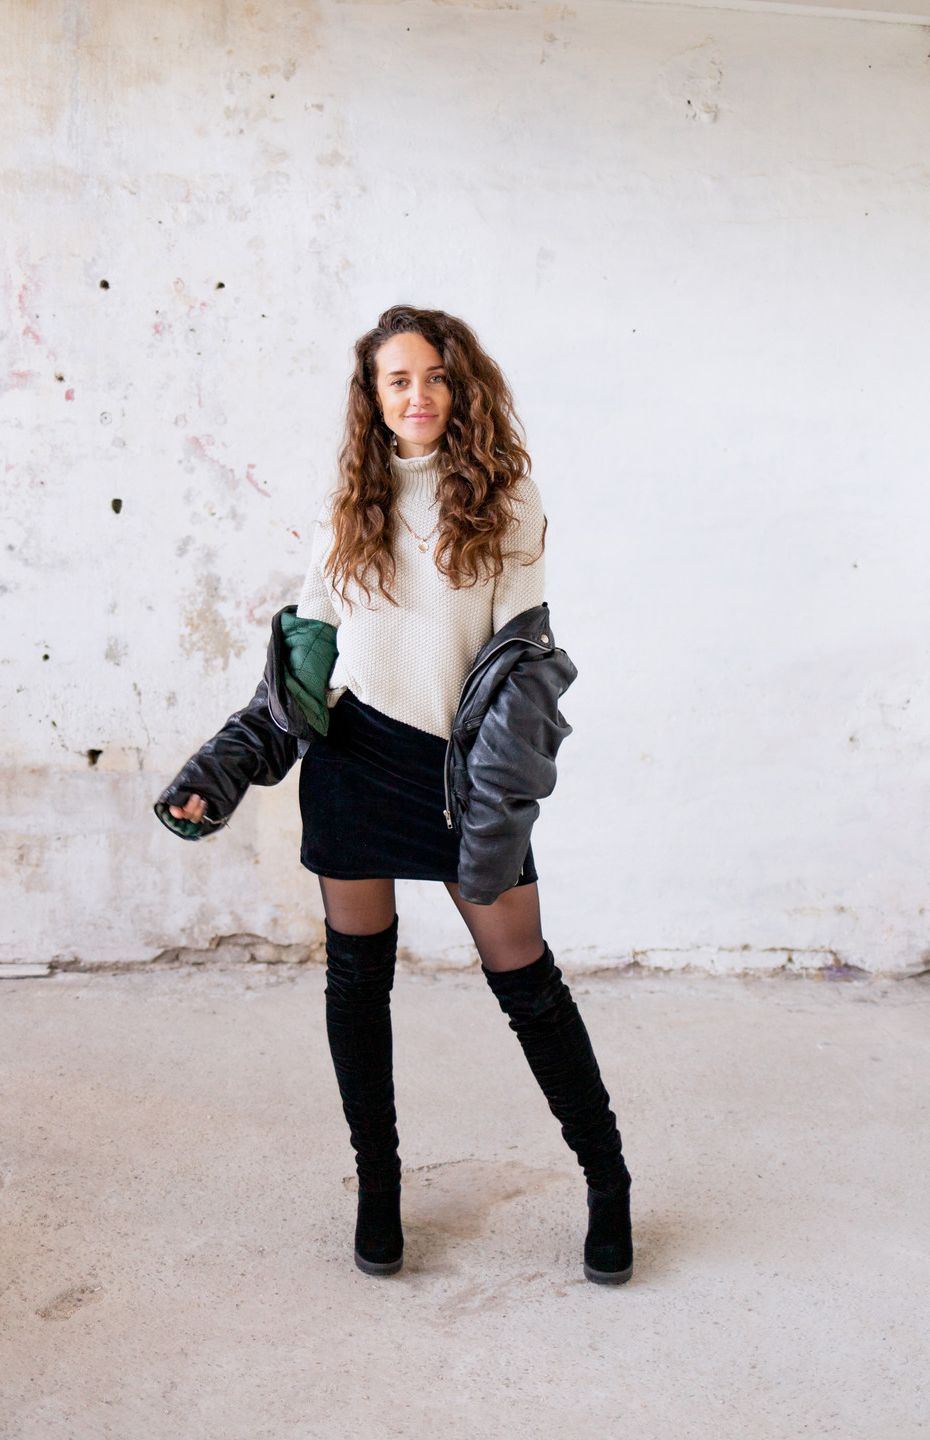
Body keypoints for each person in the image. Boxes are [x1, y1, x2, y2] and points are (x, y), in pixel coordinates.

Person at [157, 305, 632, 1284]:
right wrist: (223, 769)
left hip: (465, 775)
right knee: (356, 980)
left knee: (525, 977)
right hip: (356, 763)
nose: (418, 395)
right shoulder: (350, 502)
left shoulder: (507, 499)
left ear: (460, 385)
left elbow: (523, 667)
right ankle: (378, 1186)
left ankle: (608, 1179)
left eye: (434, 376)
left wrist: (500, 809)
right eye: (397, 380)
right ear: (372, 398)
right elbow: (305, 666)